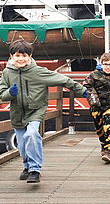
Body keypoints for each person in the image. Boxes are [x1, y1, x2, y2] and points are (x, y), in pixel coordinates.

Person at [0, 40, 88, 183]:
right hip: (17, 113)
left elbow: (63, 79)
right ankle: (27, 166)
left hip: (35, 110)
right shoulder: (7, 73)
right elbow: (2, 94)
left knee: (32, 134)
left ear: (30, 56)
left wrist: (82, 90)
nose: (20, 59)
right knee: (21, 145)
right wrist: (10, 93)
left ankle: (35, 170)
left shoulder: (38, 72)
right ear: (11, 56)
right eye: (17, 56)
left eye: (24, 55)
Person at [83, 53, 110, 164]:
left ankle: (108, 151)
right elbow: (86, 85)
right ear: (101, 64)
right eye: (106, 64)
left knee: (109, 128)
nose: (108, 67)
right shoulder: (93, 75)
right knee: (99, 128)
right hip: (96, 106)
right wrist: (94, 98)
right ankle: (103, 143)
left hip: (109, 106)